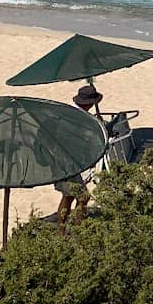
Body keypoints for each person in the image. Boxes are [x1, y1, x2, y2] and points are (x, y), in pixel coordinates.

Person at [53, 84, 103, 225]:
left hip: (65, 161)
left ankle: (65, 231)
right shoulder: (76, 118)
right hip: (66, 162)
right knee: (83, 197)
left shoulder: (74, 112)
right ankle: (76, 229)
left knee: (69, 196)